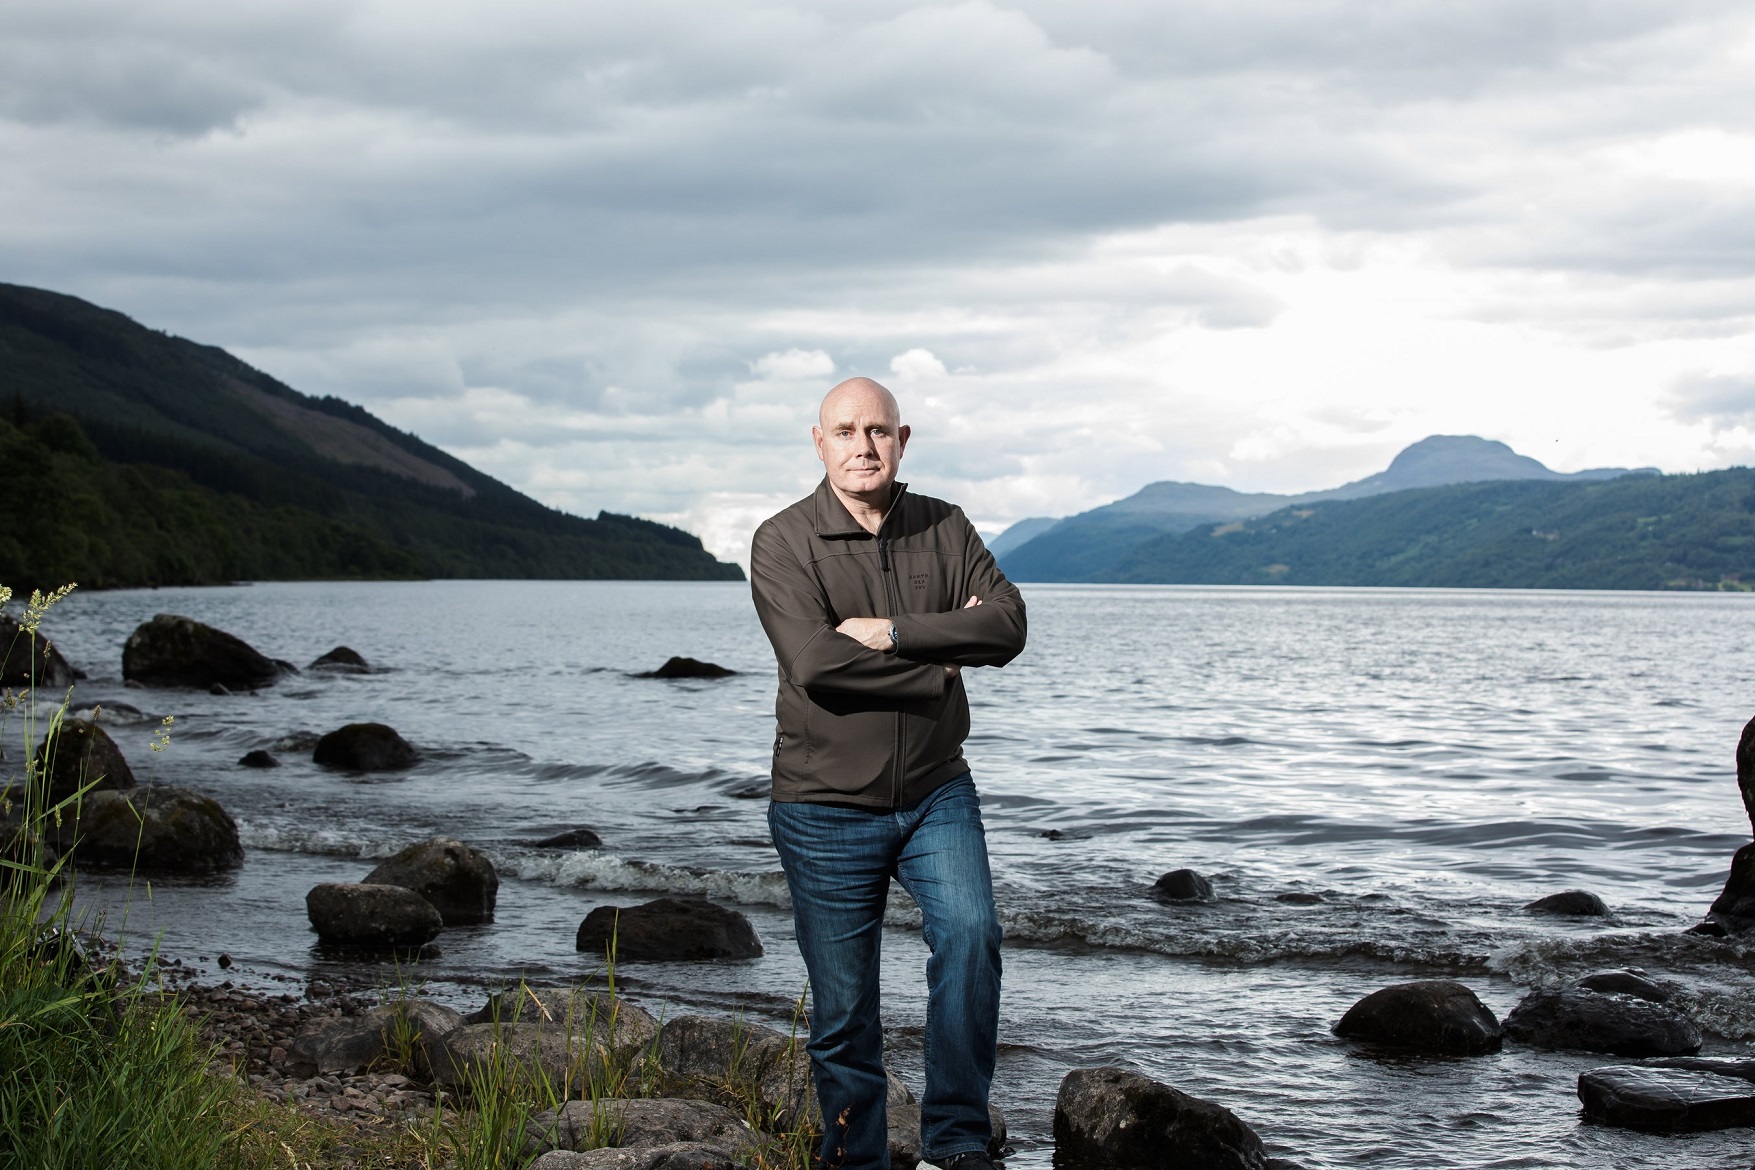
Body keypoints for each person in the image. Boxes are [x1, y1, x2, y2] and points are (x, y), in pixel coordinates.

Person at [750, 377, 1028, 1170]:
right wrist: (940, 661)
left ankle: (957, 1141)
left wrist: (896, 631)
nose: (862, 446)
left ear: (902, 441)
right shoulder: (782, 540)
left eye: (878, 431)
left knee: (973, 938)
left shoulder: (944, 524)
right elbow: (815, 664)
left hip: (937, 790)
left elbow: (1006, 624)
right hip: (822, 806)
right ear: (818, 443)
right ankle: (856, 1159)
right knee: (845, 1012)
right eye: (845, 432)